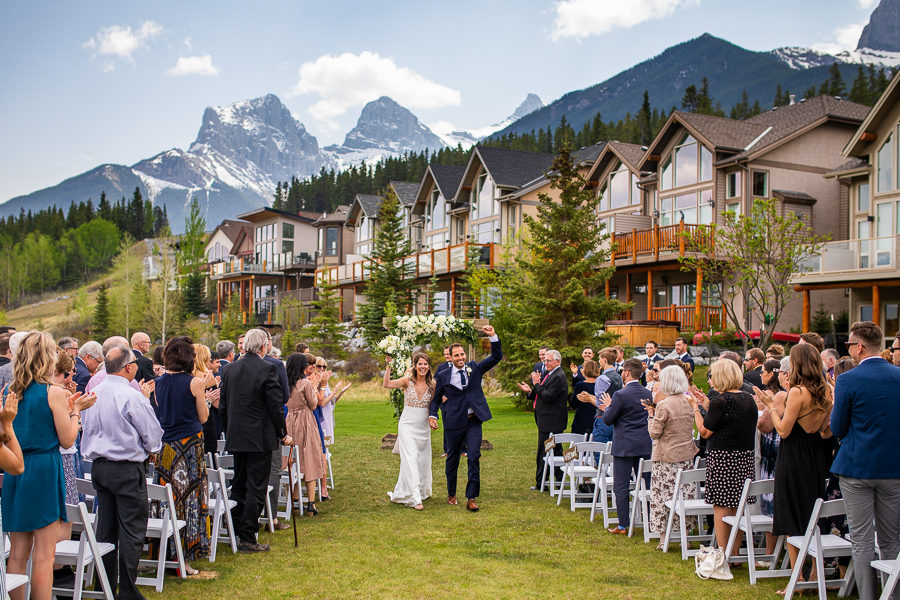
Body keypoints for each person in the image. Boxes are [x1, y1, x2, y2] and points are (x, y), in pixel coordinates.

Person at [3, 331, 96, 600]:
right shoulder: (53, 392)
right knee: (45, 554)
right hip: (43, 468)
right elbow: (67, 439)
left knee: (18, 553)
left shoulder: (10, 390)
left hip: (16, 468)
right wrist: (76, 410)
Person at [83, 344, 162, 600]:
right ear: (128, 367)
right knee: (131, 529)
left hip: (100, 465)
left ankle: (103, 585)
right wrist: (152, 448)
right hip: (126, 468)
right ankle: (127, 589)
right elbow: (151, 435)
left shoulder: (94, 392)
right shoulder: (131, 395)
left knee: (106, 527)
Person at [830, 321, 900, 600]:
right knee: (890, 539)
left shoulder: (848, 379)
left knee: (861, 541)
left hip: (857, 466)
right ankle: (892, 594)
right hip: (893, 467)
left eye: (849, 344)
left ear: (859, 347)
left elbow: (837, 427)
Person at [756, 343, 833, 591]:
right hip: (815, 456)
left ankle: (797, 578)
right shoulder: (826, 391)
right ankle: (812, 577)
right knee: (811, 513)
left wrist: (771, 407)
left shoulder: (798, 392)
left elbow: (783, 430)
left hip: (793, 456)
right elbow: (826, 431)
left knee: (791, 515)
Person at [219, 328, 290, 553]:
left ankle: (237, 527)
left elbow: (223, 404)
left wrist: (228, 428)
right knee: (256, 487)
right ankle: (247, 535)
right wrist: (283, 433)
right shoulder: (267, 368)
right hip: (260, 437)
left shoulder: (230, 369)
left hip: (237, 435)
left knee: (239, 484)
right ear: (263, 347)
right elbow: (275, 406)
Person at [688, 357, 757, 557]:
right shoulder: (748, 399)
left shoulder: (721, 400)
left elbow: (704, 430)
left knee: (720, 507)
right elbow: (728, 420)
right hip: (744, 458)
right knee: (736, 507)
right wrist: (707, 405)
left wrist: (695, 407)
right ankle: (734, 554)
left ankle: (722, 553)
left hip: (723, 458)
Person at [429, 324, 502, 512]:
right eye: (456, 355)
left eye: (462, 354)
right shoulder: (444, 375)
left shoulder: (475, 368)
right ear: (450, 358)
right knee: (452, 458)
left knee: (474, 456)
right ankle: (451, 493)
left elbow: (496, 357)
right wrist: (432, 415)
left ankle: (471, 497)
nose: (460, 357)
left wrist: (492, 337)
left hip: (473, 421)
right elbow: (436, 399)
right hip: (453, 422)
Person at [153, 337, 211, 568]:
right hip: (189, 447)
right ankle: (185, 555)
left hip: (167, 447)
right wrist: (204, 394)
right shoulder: (194, 383)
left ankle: (166, 551)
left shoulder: (158, 383)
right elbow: (203, 417)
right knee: (189, 498)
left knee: (169, 498)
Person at [599, 358, 652, 534]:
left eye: (623, 371)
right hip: (644, 443)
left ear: (627, 373)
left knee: (621, 486)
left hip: (624, 445)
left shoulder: (620, 395)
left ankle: (623, 524)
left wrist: (608, 407)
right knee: (646, 484)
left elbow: (608, 419)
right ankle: (651, 520)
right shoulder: (647, 392)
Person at [646, 365, 697, 543]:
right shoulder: (689, 401)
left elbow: (654, 433)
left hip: (666, 456)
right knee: (684, 495)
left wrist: (650, 415)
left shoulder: (664, 405)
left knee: (662, 496)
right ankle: (686, 536)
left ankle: (663, 538)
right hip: (685, 454)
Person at [383, 352, 434, 510]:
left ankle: (421, 491)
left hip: (423, 428)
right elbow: (387, 384)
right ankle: (415, 498)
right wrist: (388, 366)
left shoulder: (433, 384)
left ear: (429, 366)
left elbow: (440, 401)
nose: (423, 367)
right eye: (420, 364)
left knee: (422, 461)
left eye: (425, 364)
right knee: (410, 459)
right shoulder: (407, 381)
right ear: (415, 365)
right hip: (407, 426)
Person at [518, 349, 567, 492]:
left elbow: (547, 396)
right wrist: (530, 391)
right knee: (555, 450)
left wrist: (536, 384)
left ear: (557, 361)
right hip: (548, 420)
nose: (545, 363)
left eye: (548, 361)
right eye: (544, 360)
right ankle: (558, 479)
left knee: (544, 452)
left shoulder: (558, 375)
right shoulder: (551, 374)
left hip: (551, 421)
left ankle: (541, 483)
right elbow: (541, 393)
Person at [284, 353, 325, 515]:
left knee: (293, 459)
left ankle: (294, 500)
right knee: (310, 457)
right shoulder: (305, 383)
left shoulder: (285, 384)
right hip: (305, 421)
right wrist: (315, 387)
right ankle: (310, 503)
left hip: (290, 420)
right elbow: (313, 405)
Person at [755, 359, 784, 520]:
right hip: (775, 447)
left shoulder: (774, 396)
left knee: (770, 492)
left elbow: (765, 425)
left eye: (763, 372)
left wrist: (761, 409)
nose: (760, 375)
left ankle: (771, 541)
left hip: (772, 448)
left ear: (771, 374)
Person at [315, 356, 349, 447]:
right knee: (322, 443)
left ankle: (324, 459)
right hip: (321, 416)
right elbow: (322, 403)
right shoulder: (315, 382)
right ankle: (323, 460)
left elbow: (332, 402)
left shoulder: (325, 382)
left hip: (328, 414)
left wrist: (340, 392)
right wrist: (334, 392)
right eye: (319, 366)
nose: (322, 368)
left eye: (324, 367)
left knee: (327, 444)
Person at [570, 359, 598, 435]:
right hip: (595, 418)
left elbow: (573, 404)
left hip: (582, 419)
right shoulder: (600, 384)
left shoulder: (580, 385)